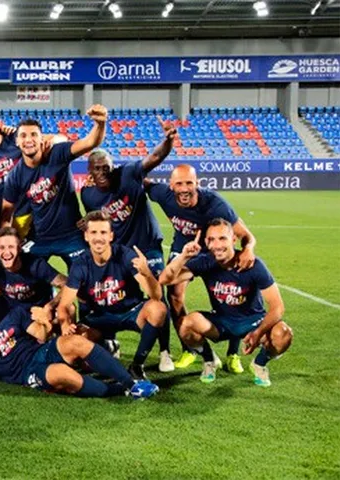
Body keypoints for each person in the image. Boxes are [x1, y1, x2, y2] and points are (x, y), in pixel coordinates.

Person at [0, 280, 159, 399]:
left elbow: (41, 336)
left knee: (76, 342)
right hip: (26, 374)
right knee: (64, 375)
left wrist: (44, 321)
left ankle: (133, 384)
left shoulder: (13, 314)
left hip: (41, 351)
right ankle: (119, 391)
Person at [80, 119, 178, 371]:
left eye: (106, 168)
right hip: (121, 253)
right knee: (113, 295)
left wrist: (167, 140)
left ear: (113, 166)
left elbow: (154, 158)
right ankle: (109, 340)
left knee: (158, 295)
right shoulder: (88, 194)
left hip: (147, 245)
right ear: (89, 172)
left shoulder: (129, 174)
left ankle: (165, 351)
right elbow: (96, 220)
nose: (102, 173)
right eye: (96, 170)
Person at [147, 164, 257, 372]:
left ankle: (233, 354)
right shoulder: (163, 194)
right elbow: (140, 181)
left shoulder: (216, 204)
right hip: (183, 249)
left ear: (197, 183)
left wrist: (248, 249)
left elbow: (245, 234)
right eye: (179, 183)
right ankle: (190, 348)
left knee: (229, 298)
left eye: (189, 183)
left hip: (214, 252)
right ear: (171, 185)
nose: (184, 188)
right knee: (175, 296)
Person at [159, 219, 292, 387]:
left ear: (233, 240)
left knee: (283, 334)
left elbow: (278, 307)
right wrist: (184, 256)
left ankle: (259, 364)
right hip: (221, 322)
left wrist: (258, 333)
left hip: (252, 321)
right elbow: (165, 279)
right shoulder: (205, 261)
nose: (217, 245)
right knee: (185, 325)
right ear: (206, 242)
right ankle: (209, 360)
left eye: (222, 238)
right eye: (211, 239)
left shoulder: (253, 264)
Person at [53, 211, 168, 380]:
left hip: (130, 312)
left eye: (103, 232)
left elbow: (156, 295)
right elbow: (64, 305)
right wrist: (65, 324)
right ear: (86, 236)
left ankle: (137, 365)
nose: (98, 238)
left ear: (111, 236)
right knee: (76, 350)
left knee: (158, 309)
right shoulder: (80, 264)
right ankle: (106, 346)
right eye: (93, 233)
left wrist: (147, 274)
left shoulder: (126, 255)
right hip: (99, 318)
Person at [0, 108, 108, 267]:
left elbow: (90, 142)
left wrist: (100, 123)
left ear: (41, 138)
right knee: (24, 274)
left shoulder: (57, 154)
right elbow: (6, 214)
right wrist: (9, 239)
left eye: (33, 135)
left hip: (72, 235)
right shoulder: (15, 176)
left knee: (88, 276)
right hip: (39, 237)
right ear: (17, 141)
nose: (28, 139)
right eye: (23, 136)